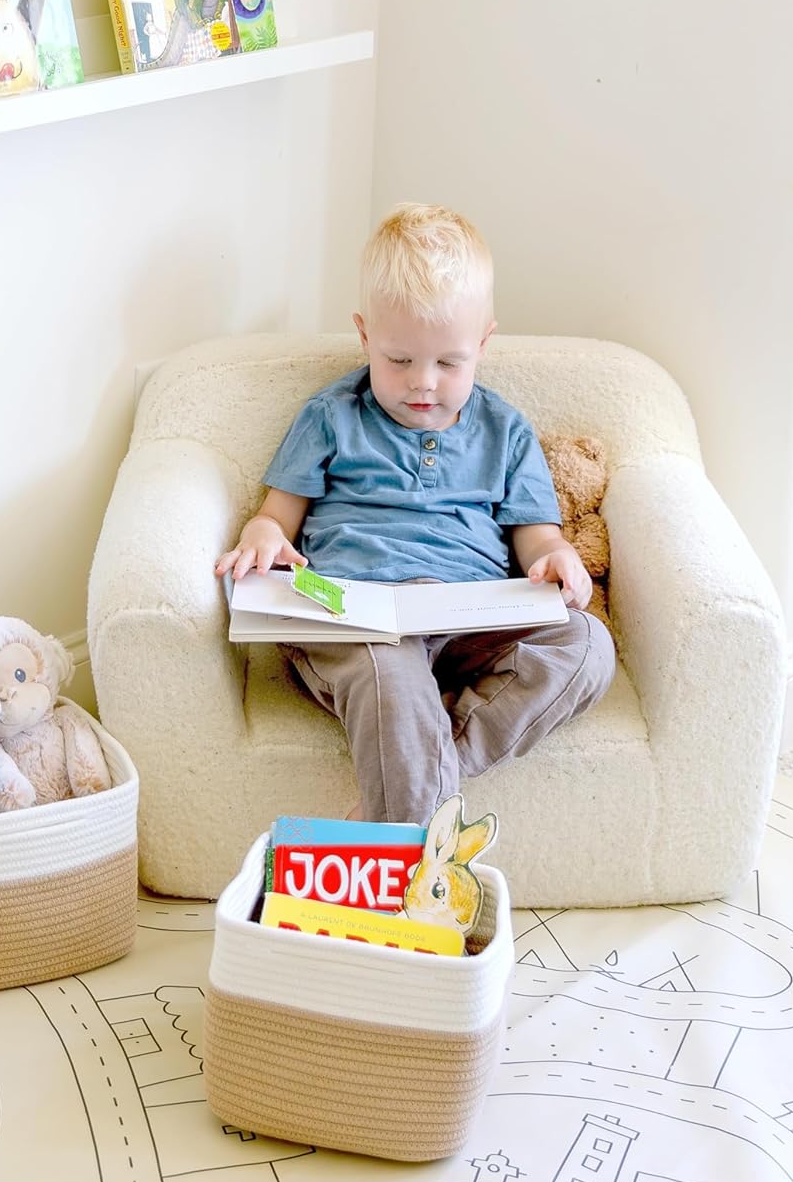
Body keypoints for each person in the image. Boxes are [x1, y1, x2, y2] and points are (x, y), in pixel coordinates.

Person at [214, 203, 616, 825]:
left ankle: (436, 767)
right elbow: (276, 517)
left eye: (448, 363)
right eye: (399, 360)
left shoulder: (506, 430)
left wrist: (555, 558)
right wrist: (263, 540)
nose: (422, 383)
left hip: (468, 617)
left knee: (587, 644)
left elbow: (536, 536)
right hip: (356, 617)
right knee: (389, 679)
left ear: (483, 344)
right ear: (365, 335)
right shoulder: (331, 416)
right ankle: (410, 867)